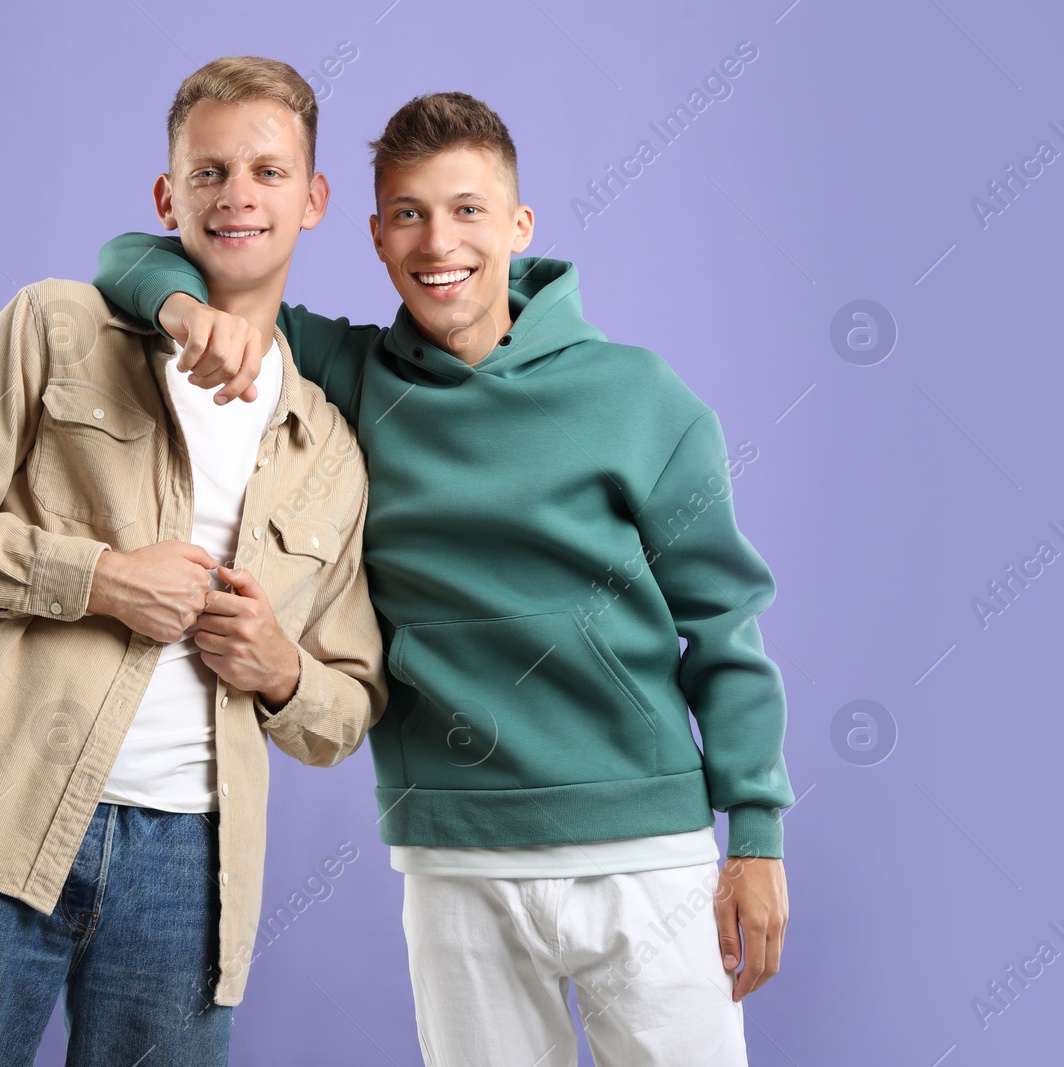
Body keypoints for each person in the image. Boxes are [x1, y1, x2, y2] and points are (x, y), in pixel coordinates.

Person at [94, 90, 795, 1066]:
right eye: (410, 213)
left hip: (646, 855)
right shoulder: (347, 373)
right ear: (376, 234)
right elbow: (127, 258)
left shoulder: (641, 398)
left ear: (519, 225)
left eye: (467, 209)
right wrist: (182, 307)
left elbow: (724, 626)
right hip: (451, 857)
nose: (438, 241)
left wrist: (755, 832)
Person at [0, 56, 386, 1067]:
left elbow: (346, 703)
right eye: (211, 170)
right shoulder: (55, 325)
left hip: (193, 868)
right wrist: (98, 578)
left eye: (268, 172)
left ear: (312, 200)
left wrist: (277, 668)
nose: (237, 195)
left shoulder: (330, 450)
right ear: (165, 194)